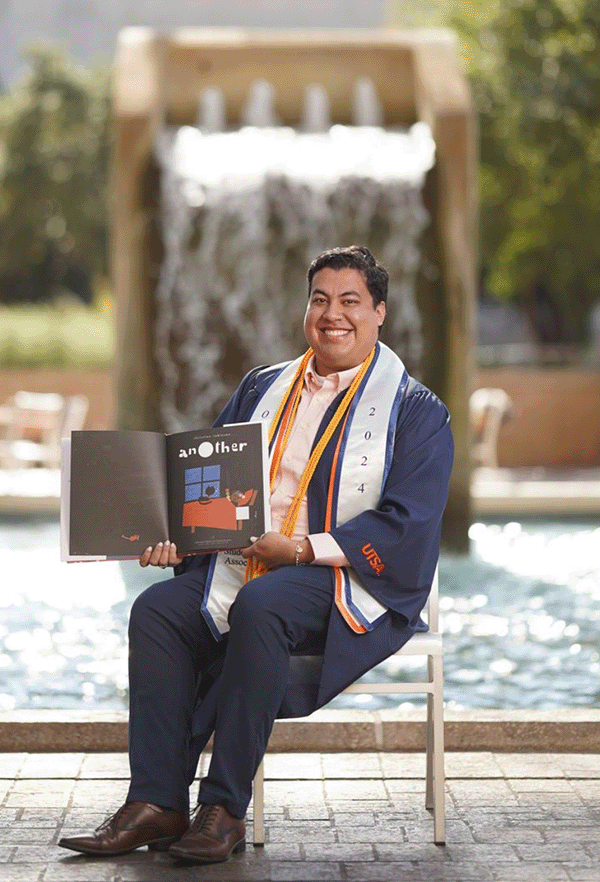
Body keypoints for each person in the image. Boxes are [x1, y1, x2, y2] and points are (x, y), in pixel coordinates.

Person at [58, 245, 454, 864]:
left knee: (262, 606)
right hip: (241, 561)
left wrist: (297, 549)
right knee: (157, 611)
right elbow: (206, 483)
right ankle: (156, 801)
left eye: (350, 301)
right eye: (319, 299)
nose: (332, 315)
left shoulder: (416, 411)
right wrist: (173, 536)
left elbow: (409, 526)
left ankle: (222, 807)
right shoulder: (263, 387)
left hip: (336, 574)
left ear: (380, 312)